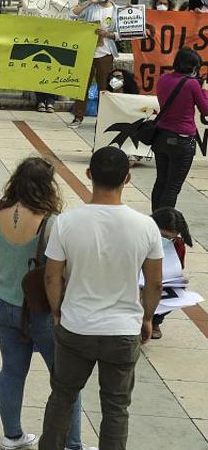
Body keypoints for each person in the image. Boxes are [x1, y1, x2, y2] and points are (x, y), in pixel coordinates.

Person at [39, 146, 163, 450]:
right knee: (116, 407)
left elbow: (52, 276)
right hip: (122, 330)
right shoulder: (146, 226)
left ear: (89, 175)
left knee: (62, 399)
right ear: (128, 178)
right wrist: (147, 318)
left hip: (76, 325)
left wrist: (57, 312)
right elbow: (155, 283)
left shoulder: (66, 222)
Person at [0, 157, 90, 450]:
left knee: (11, 371)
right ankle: (72, 443)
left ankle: (12, 435)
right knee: (65, 379)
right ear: (48, 186)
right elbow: (57, 275)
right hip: (40, 311)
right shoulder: (52, 223)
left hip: (2, 302)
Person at [150, 49, 208, 211]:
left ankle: (155, 220)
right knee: (173, 186)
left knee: (161, 181)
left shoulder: (163, 79)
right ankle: (165, 225)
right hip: (182, 138)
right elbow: (206, 110)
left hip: (161, 136)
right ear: (193, 67)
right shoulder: (192, 84)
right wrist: (203, 90)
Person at [69, 0, 121, 128]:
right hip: (87, 51)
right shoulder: (91, 6)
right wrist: (89, 2)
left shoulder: (117, 11)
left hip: (105, 52)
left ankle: (103, 119)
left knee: (104, 87)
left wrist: (107, 34)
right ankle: (78, 117)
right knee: (82, 86)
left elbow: (121, 34)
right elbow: (72, 14)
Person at [149, 207, 192, 340]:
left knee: (175, 291)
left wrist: (178, 280)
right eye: (163, 236)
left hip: (160, 280)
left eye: (170, 238)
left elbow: (177, 267)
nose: (166, 240)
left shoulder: (177, 244)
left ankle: (155, 321)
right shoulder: (139, 239)